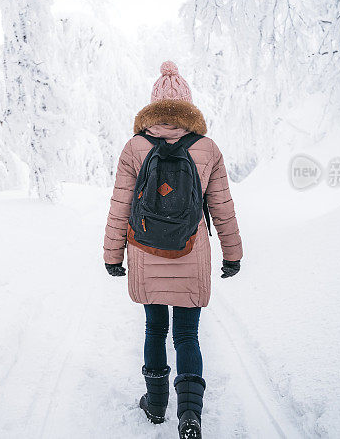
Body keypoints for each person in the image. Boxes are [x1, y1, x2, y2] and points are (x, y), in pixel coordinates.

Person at [102, 61, 243, 439]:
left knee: (154, 329)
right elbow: (222, 207)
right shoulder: (207, 148)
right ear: (188, 105)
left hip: (146, 252)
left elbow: (120, 206)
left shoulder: (134, 148)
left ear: (153, 106)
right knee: (187, 335)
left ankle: (157, 404)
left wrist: (112, 255)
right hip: (191, 250)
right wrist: (233, 254)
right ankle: (190, 414)